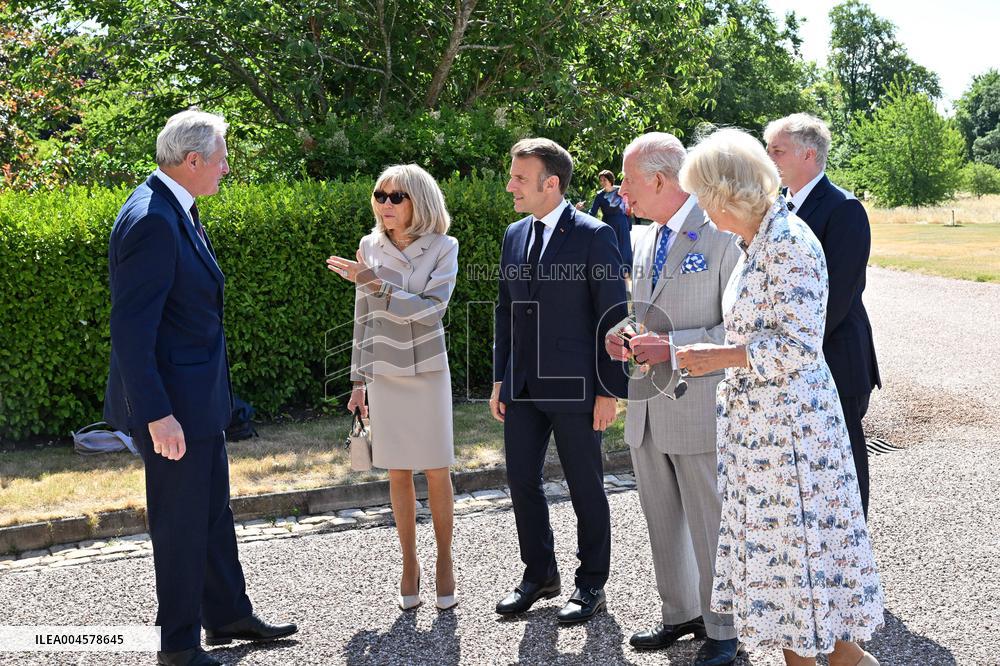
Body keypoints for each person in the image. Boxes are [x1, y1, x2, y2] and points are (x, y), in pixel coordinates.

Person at [674, 128, 884, 666]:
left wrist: (721, 356)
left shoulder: (789, 241)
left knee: (796, 578)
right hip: (763, 432)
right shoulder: (754, 243)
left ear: (726, 193)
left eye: (702, 196)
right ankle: (849, 659)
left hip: (791, 435)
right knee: (795, 583)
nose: (701, 211)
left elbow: (799, 345)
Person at [104, 109, 296, 666]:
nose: (226, 168)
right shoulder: (152, 219)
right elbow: (131, 331)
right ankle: (178, 644)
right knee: (180, 524)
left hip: (199, 403)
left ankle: (227, 613)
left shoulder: (174, 208)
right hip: (174, 411)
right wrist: (157, 414)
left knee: (211, 513)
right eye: (221, 159)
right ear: (192, 161)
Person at [606, 132, 742, 666]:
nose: (621, 192)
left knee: (711, 523)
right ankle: (680, 613)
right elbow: (644, 313)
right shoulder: (644, 238)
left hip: (699, 403)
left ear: (660, 180)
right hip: (646, 404)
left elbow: (738, 332)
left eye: (628, 181)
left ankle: (724, 628)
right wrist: (623, 334)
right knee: (661, 519)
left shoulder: (722, 234)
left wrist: (673, 346)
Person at [491, 138, 628, 624]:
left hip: (577, 385)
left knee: (584, 486)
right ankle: (539, 574)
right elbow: (506, 311)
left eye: (519, 178)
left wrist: (608, 389)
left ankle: (591, 583)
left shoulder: (595, 235)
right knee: (520, 479)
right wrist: (500, 378)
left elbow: (614, 317)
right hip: (523, 385)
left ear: (551, 183)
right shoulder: (513, 234)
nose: (510, 186)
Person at [326, 164, 459, 612]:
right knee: (397, 472)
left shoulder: (443, 247)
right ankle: (409, 563)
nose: (385, 204)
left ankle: (444, 559)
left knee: (436, 467)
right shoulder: (370, 245)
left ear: (419, 201)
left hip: (428, 370)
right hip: (383, 369)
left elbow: (431, 311)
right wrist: (357, 380)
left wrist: (374, 282)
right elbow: (362, 317)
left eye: (396, 196)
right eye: (379, 195)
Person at [764, 113, 881, 518]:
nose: (768, 158)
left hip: (835, 356)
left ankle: (855, 539)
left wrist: (793, 347)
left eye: (777, 150)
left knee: (844, 458)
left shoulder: (843, 208)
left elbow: (839, 295)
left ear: (808, 154)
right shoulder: (777, 208)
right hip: (794, 355)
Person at [576, 169, 634, 275]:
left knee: (624, 247)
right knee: (609, 248)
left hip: (622, 223)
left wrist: (629, 223)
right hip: (608, 224)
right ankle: (610, 271)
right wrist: (579, 212)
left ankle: (625, 272)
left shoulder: (621, 191)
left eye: (604, 180)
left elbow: (627, 208)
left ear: (610, 180)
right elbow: (592, 212)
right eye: (601, 180)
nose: (602, 182)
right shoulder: (600, 195)